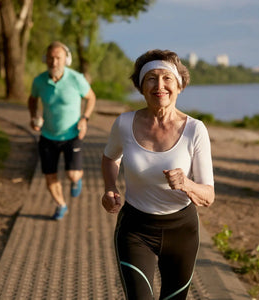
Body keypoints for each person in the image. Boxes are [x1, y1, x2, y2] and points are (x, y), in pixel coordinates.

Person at [101, 49, 215, 300]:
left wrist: (186, 183)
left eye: (167, 78)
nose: (159, 85)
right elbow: (111, 157)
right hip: (135, 229)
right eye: (151, 78)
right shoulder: (124, 123)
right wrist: (110, 188)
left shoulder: (195, 130)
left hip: (182, 232)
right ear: (141, 87)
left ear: (180, 85)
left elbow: (208, 195)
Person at [28, 41, 96, 221]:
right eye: (50, 58)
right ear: (45, 59)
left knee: (72, 174)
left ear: (67, 59)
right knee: (50, 177)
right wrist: (34, 116)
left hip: (72, 135)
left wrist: (85, 118)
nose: (54, 62)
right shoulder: (39, 81)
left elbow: (91, 98)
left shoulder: (76, 79)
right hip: (47, 136)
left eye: (58, 58)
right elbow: (32, 99)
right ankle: (61, 205)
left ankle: (75, 180)